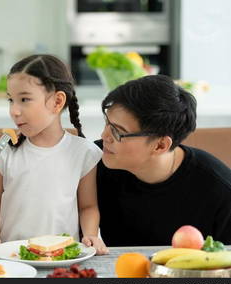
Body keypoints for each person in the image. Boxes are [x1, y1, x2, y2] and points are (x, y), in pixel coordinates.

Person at [0, 54, 108, 257]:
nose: (14, 111)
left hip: (62, 258)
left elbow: (88, 207)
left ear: (57, 101)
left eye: (24, 99)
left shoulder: (83, 153)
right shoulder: (5, 152)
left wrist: (91, 235)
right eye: (11, 100)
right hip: (13, 258)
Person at [95, 74, 231, 246]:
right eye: (107, 123)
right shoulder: (94, 162)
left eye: (117, 131)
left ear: (160, 145)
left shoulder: (220, 191)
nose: (104, 136)